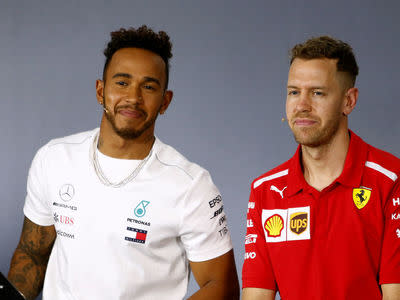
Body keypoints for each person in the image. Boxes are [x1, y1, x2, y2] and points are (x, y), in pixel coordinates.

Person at [8, 25, 239, 300]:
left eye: (149, 86)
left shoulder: (191, 185)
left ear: (165, 101)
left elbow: (222, 287)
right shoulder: (54, 159)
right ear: (100, 90)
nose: (133, 97)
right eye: (122, 82)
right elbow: (32, 254)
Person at [241, 36, 400, 299]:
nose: (302, 106)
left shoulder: (397, 181)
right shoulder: (265, 191)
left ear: (349, 101)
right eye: (294, 92)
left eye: (317, 93)